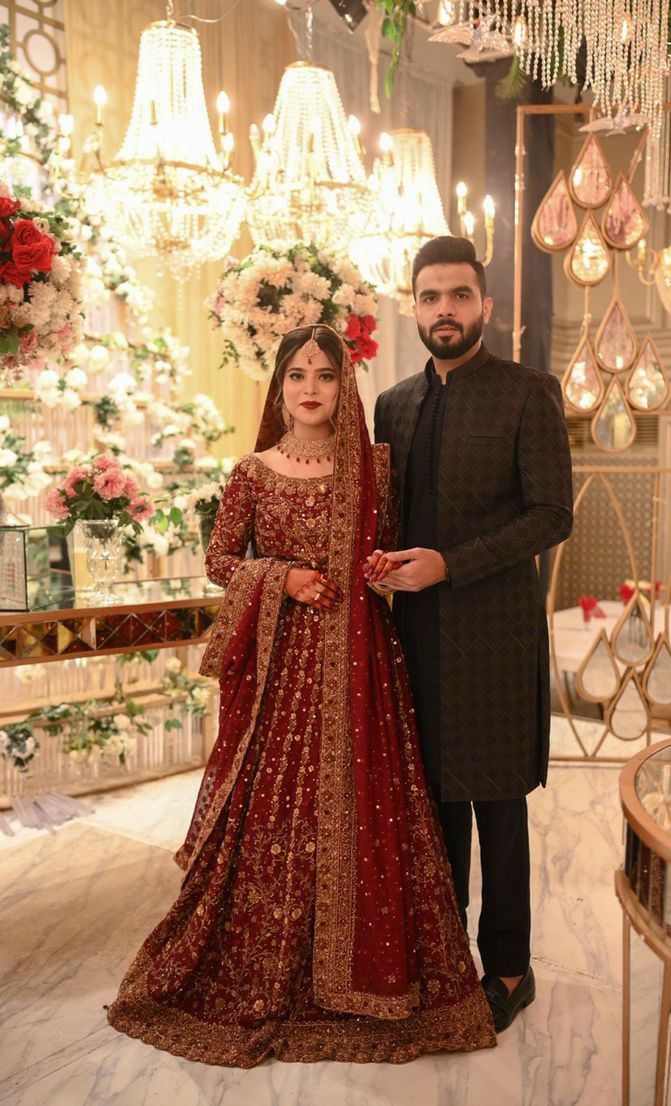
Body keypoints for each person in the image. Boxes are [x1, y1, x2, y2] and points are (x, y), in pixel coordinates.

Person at [107, 323, 495, 1066]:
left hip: (363, 666)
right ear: (279, 386)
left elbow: (386, 546)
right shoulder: (253, 471)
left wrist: (378, 569)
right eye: (296, 375)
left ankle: (366, 977)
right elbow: (224, 560)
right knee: (274, 809)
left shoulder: (373, 467)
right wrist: (279, 577)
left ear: (343, 386)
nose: (310, 387)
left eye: (323, 374)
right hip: (282, 668)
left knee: (370, 803)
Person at [367, 237, 573, 1032]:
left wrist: (449, 565)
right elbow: (386, 516)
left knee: (495, 804)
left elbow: (551, 514)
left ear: (484, 305)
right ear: (411, 306)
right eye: (428, 297)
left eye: (458, 295)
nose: (443, 310)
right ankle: (443, 953)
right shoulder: (393, 404)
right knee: (432, 802)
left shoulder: (527, 393)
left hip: (494, 635)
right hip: (412, 634)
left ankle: (510, 970)